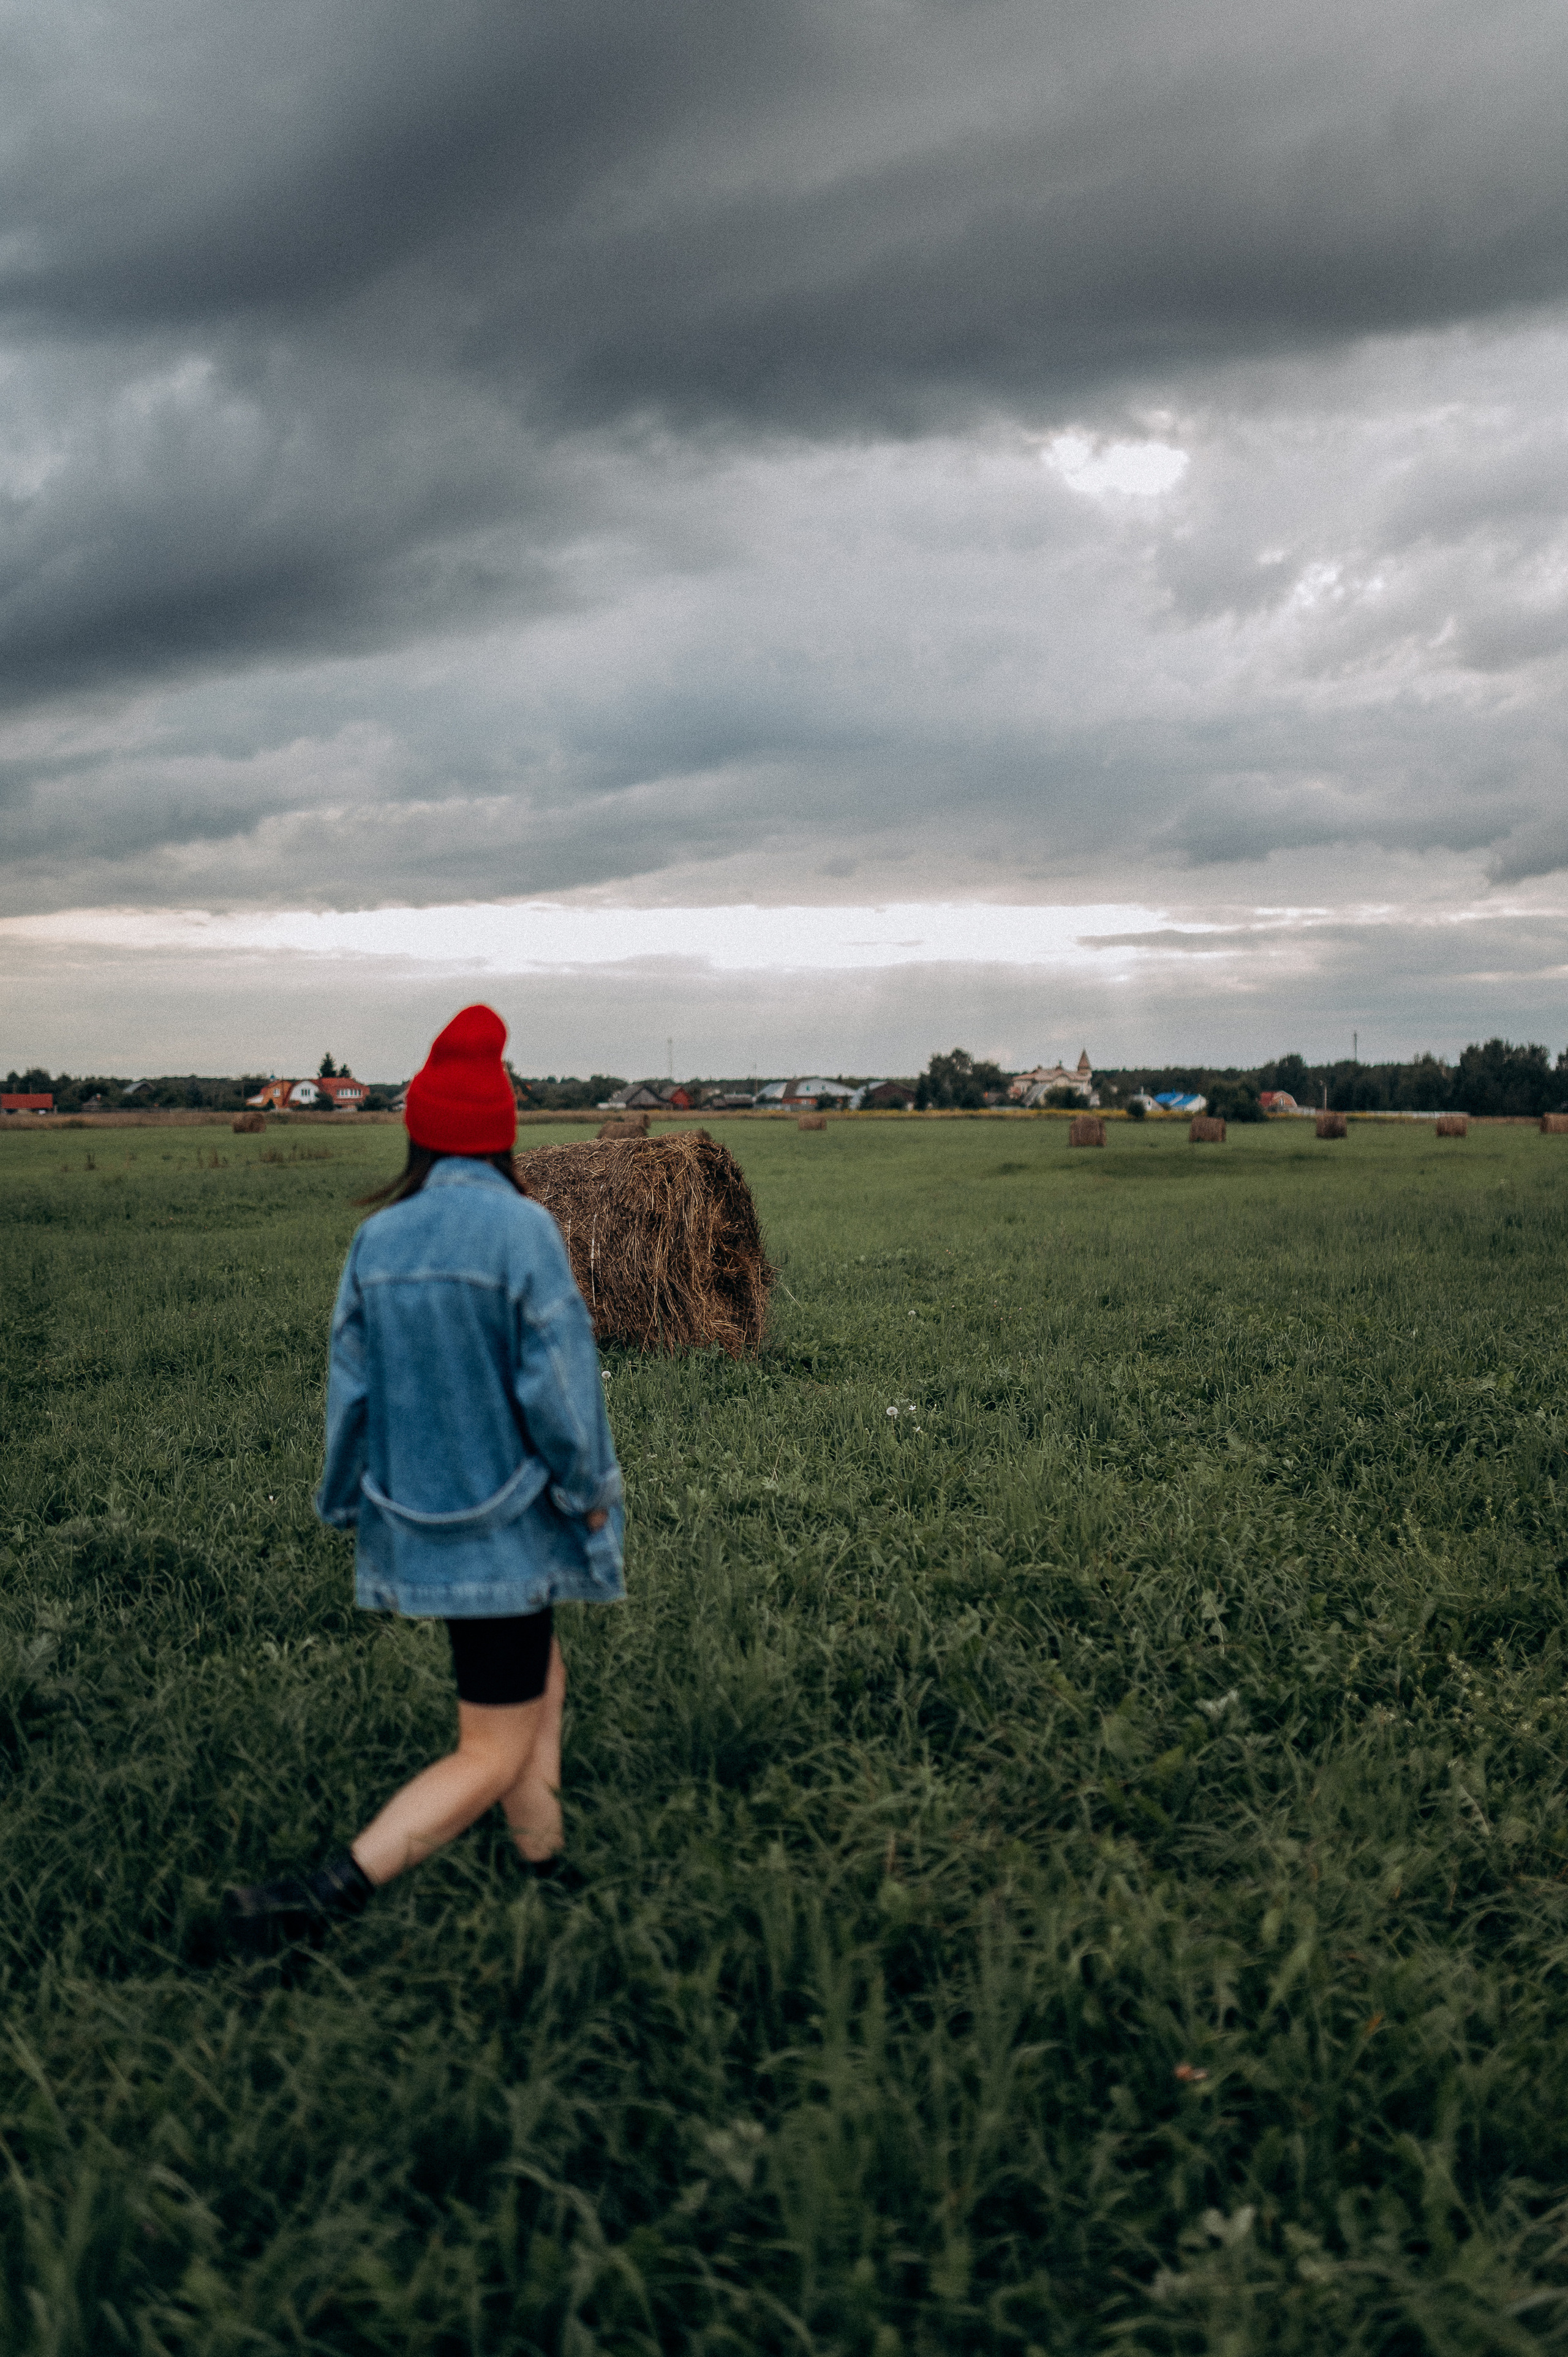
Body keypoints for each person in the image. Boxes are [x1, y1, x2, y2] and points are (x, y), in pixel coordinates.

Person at [225, 1004, 624, 1951]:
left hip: (423, 1515)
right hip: (509, 1520)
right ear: (503, 1136)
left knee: (536, 1679)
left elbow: (350, 1395)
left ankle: (544, 1867)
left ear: (419, 1133)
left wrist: (343, 1501)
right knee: (490, 1744)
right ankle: (318, 1900)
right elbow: (562, 1395)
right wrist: (591, 1493)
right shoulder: (525, 1231)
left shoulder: (380, 1241)